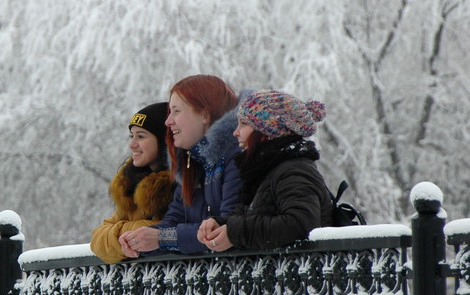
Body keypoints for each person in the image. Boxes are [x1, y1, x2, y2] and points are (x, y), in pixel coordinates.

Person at [121, 74, 248, 256]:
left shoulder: (236, 156)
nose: (168, 121)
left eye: (176, 111)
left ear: (204, 115)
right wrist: (138, 241)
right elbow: (173, 220)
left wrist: (160, 239)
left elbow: (226, 228)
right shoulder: (191, 160)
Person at [197, 90, 334, 253]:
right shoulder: (266, 172)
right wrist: (221, 224)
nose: (236, 132)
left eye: (244, 124)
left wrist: (234, 233)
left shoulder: (293, 171)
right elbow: (255, 220)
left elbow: (300, 225)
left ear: (268, 131)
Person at [90, 102, 176, 263]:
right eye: (132, 136)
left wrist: (124, 232)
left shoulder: (180, 183)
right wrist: (130, 234)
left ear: (165, 141)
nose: (132, 144)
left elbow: (174, 231)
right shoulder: (131, 185)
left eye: (141, 136)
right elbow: (97, 240)